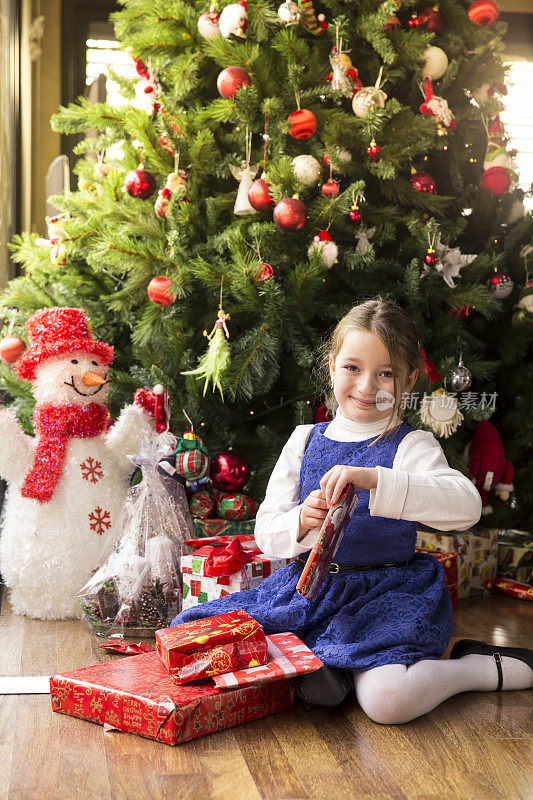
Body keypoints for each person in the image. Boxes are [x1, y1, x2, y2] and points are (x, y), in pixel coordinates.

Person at [172, 299, 533, 724]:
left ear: (408, 380)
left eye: (386, 373)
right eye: (353, 368)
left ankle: (473, 668)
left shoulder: (411, 446)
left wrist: (378, 479)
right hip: (309, 592)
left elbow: (466, 507)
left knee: (388, 703)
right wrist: (301, 521)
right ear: (331, 366)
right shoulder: (305, 439)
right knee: (189, 634)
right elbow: (267, 534)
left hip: (386, 596)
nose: (366, 387)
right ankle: (330, 670)